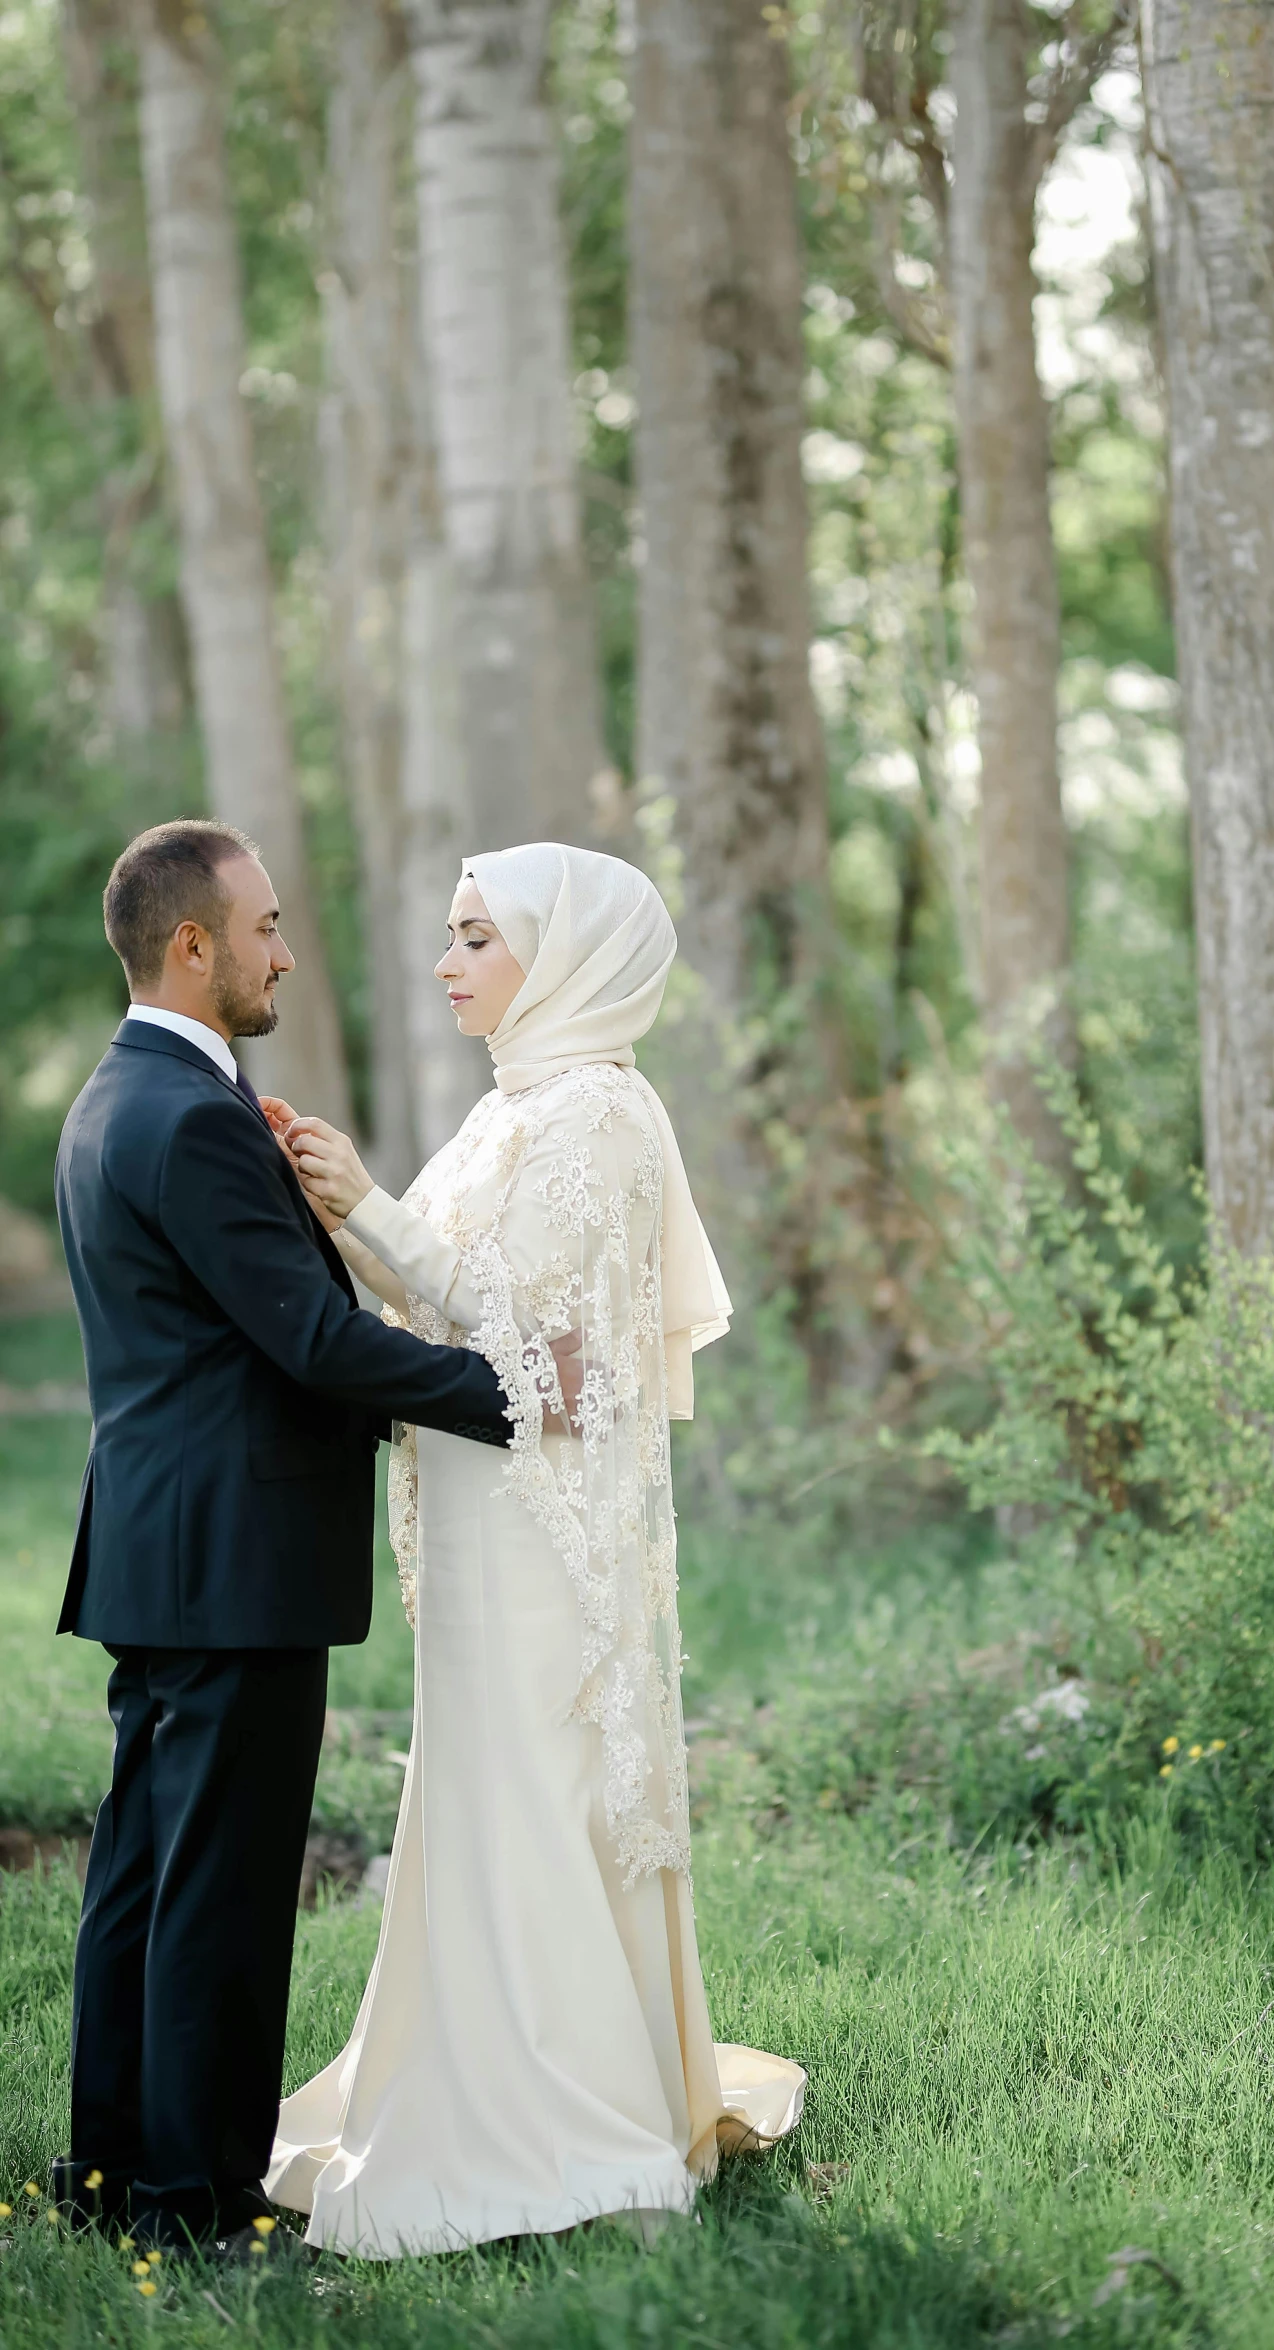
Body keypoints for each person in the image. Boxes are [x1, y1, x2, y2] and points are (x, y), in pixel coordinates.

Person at [265, 841, 804, 2256]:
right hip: (474, 1502)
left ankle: (565, 2110)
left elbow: (537, 1345)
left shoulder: (604, 1118)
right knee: (480, 1785)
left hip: (538, 1530)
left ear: (562, 956)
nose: (447, 962)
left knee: (530, 1783)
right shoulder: (509, 1113)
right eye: (448, 937)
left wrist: (369, 1205)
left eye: (472, 938)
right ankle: (473, 2066)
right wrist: (343, 1203)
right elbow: (458, 1299)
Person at [52, 820, 516, 2257]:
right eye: (260, 928)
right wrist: (511, 1389)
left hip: (167, 1547)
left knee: (146, 1870)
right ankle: (195, 2206)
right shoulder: (187, 1113)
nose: (283, 952)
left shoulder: (118, 1096)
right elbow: (311, 1341)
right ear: (190, 944)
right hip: (229, 1557)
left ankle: (113, 2169)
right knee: (222, 1892)